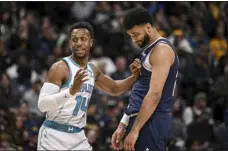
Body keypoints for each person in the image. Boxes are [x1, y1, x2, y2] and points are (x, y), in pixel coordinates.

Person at [37, 21, 141, 150]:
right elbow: (42, 105)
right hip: (54, 134)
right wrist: (71, 91)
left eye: (83, 39)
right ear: (70, 43)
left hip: (77, 136)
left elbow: (114, 88)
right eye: (74, 39)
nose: (79, 43)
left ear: (91, 42)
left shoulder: (93, 69)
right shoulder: (60, 68)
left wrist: (133, 78)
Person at [111, 7, 179, 151]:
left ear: (148, 27)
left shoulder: (162, 50)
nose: (133, 39)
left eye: (136, 34)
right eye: (130, 36)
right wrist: (123, 124)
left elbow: (154, 95)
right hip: (141, 119)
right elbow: (139, 92)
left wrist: (135, 130)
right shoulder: (148, 51)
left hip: (151, 122)